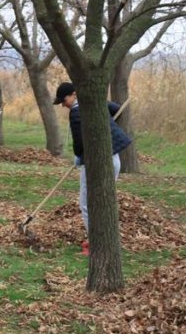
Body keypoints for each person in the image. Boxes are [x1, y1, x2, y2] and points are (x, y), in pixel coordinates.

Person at [53, 82, 132, 256]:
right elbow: (116, 108)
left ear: (74, 94)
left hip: (94, 164)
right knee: (103, 202)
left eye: (64, 100)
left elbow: (79, 144)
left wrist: (78, 156)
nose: (64, 105)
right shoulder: (94, 102)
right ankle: (104, 242)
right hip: (113, 160)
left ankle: (96, 244)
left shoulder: (75, 112)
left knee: (87, 204)